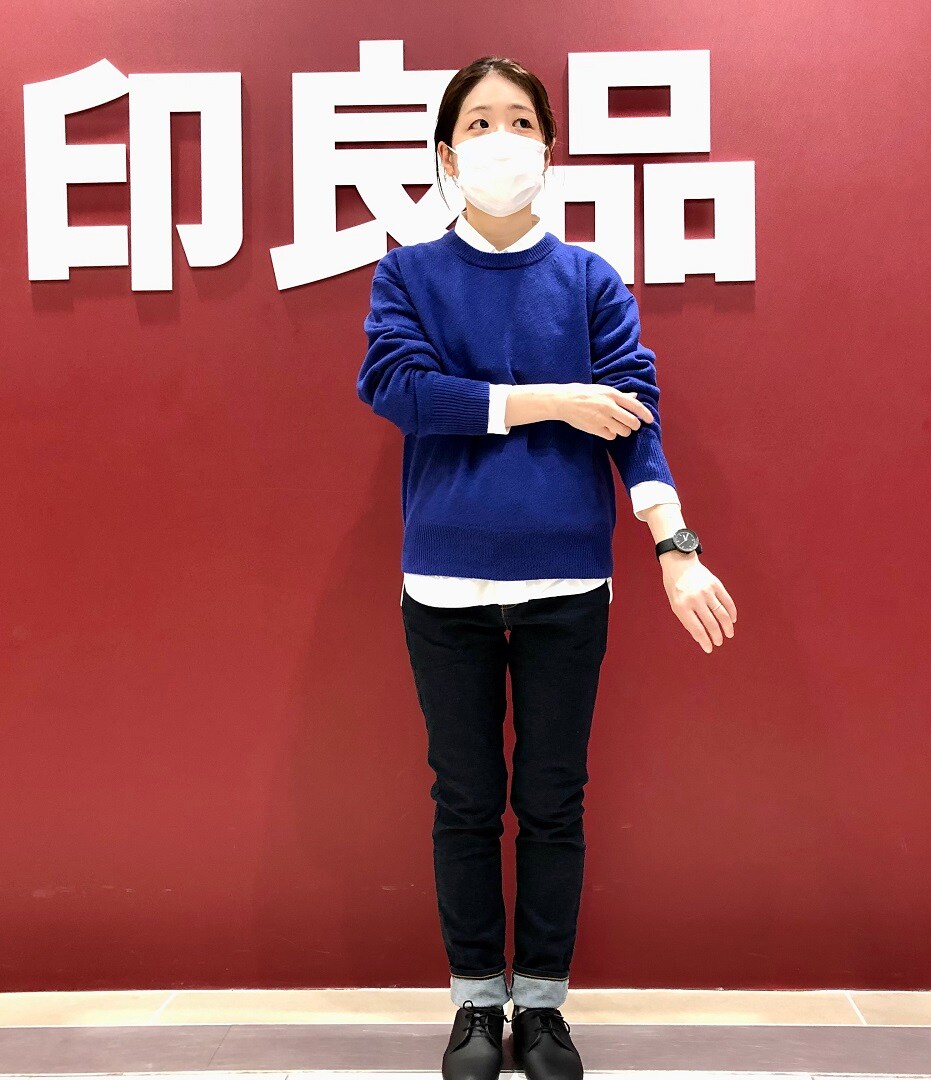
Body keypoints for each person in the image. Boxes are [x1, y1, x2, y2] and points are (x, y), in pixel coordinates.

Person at [356, 55, 737, 1080]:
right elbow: (399, 388)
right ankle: (477, 1004)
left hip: (569, 586)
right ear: (446, 154)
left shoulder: (589, 281)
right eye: (478, 123)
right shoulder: (409, 275)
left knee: (554, 801)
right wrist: (551, 400)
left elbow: (635, 420)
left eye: (519, 121)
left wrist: (675, 547)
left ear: (549, 148)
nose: (500, 139)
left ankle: (544, 1007)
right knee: (466, 800)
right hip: (446, 586)